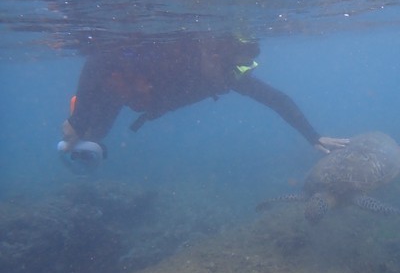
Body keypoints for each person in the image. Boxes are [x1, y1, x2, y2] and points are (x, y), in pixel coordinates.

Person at [59, 34, 349, 172]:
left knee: (92, 142)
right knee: (84, 134)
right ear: (213, 56)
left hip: (133, 101)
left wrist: (313, 136)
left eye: (243, 69)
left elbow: (276, 99)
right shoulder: (176, 53)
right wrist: (78, 119)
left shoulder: (227, 75)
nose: (234, 77)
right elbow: (98, 59)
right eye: (232, 67)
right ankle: (78, 122)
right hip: (110, 89)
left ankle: (83, 135)